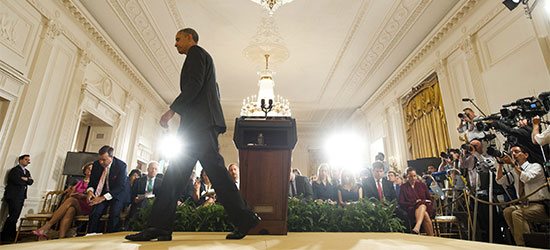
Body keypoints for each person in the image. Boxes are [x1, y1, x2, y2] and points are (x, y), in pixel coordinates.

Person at [126, 28, 259, 242]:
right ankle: (160, 227)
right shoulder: (204, 58)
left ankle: (245, 218)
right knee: (176, 176)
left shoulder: (196, 54)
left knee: (210, 175)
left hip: (199, 127)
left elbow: (194, 85)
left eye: (178, 39)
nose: (175, 44)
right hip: (199, 126)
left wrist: (171, 110)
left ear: (190, 38)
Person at [495, 145, 550, 246]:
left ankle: (523, 245)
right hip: (525, 205)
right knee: (508, 211)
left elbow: (526, 178)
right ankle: (518, 241)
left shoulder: (535, 167)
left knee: (517, 214)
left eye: (516, 152)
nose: (514, 155)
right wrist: (500, 164)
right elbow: (500, 181)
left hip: (540, 205)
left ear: (526, 155)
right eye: (512, 153)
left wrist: (512, 164)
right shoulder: (515, 171)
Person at [33, 163, 93, 238]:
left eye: (92, 169)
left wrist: (82, 196)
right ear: (85, 171)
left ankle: (47, 227)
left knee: (71, 200)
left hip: (87, 205)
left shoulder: (94, 182)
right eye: (88, 168)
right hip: (76, 204)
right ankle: (61, 238)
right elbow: (72, 193)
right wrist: (71, 192)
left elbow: (94, 196)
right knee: (70, 210)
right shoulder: (79, 182)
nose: (90, 170)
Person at [86, 145, 130, 234]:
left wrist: (102, 198)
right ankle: (91, 235)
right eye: (100, 159)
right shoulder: (96, 165)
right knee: (95, 212)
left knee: (114, 213)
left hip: (118, 194)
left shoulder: (121, 166)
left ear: (111, 157)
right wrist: (90, 191)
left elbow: (120, 187)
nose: (101, 162)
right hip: (103, 192)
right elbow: (92, 182)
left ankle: (110, 237)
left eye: (104, 160)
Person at [1, 155, 33, 241]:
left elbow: (31, 182)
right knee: (13, 216)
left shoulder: (27, 172)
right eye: (26, 159)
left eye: (29, 160)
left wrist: (25, 179)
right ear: (20, 160)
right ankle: (6, 235)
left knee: (15, 216)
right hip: (13, 196)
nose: (28, 161)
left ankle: (11, 235)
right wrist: (26, 180)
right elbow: (17, 181)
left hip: (21, 196)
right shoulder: (15, 170)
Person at [398, 168, 434, 236]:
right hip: (411, 208)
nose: (413, 178)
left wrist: (425, 203)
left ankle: (417, 227)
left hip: (426, 207)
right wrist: (414, 203)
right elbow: (401, 202)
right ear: (407, 176)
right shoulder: (403, 187)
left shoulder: (422, 185)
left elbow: (430, 199)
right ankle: (432, 237)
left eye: (414, 176)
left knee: (422, 205)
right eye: (411, 176)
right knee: (425, 214)